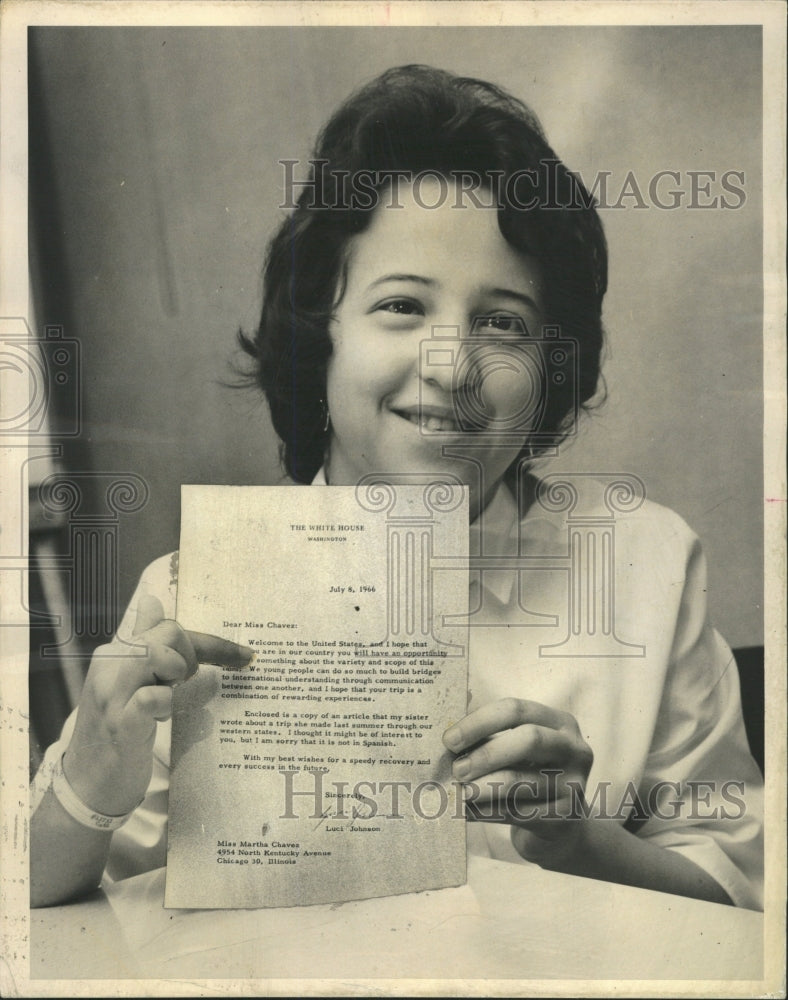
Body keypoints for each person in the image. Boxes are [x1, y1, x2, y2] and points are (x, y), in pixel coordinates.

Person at [30, 65, 763, 910]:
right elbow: (40, 909)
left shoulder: (647, 565)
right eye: (403, 306)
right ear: (320, 337)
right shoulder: (190, 596)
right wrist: (91, 777)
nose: (453, 367)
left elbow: (739, 900)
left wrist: (578, 837)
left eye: (503, 323)